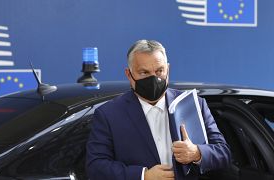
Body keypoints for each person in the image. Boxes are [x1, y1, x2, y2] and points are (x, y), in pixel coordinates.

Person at [86, 40, 231, 180]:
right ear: (129, 75)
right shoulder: (109, 114)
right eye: (144, 72)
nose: (154, 79)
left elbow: (223, 153)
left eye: (159, 71)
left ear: (168, 69)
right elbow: (96, 167)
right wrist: (143, 176)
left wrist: (197, 153)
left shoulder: (194, 104)